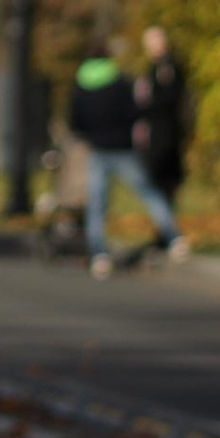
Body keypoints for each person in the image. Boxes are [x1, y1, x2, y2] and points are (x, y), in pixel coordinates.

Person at [68, 39, 189, 278]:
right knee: (148, 193)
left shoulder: (81, 86)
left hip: (99, 150)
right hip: (123, 148)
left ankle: (99, 254)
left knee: (97, 205)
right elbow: (135, 112)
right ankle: (174, 237)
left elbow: (76, 122)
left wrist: (93, 135)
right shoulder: (119, 81)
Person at [135, 21, 190, 208]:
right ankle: (164, 230)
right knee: (158, 181)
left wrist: (143, 107)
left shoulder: (168, 67)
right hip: (158, 132)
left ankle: (167, 230)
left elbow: (168, 99)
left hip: (166, 133)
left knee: (164, 181)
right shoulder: (155, 67)